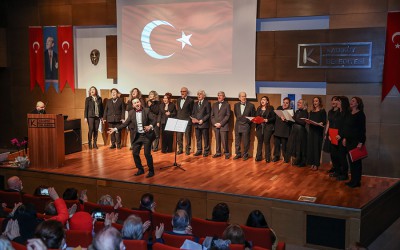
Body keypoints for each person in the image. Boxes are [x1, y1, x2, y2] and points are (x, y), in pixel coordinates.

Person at [108, 98, 156, 178]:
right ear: (133, 105)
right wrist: (115, 129)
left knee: (147, 154)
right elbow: (125, 124)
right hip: (137, 136)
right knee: (135, 153)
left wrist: (150, 126)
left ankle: (151, 170)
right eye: (135, 103)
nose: (137, 104)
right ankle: (140, 169)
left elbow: (154, 120)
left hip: (146, 136)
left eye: (138, 102)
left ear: (140, 103)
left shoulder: (146, 110)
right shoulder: (131, 113)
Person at [341, 97, 366, 188]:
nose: (351, 102)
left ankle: (356, 181)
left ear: (357, 103)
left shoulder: (360, 114)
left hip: (356, 141)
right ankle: (353, 180)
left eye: (353, 101)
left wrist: (361, 142)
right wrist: (344, 138)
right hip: (348, 141)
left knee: (356, 162)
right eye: (351, 100)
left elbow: (362, 130)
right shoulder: (349, 113)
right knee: (351, 162)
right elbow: (345, 127)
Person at [330, 96, 351, 180]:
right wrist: (330, 135)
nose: (336, 103)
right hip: (334, 136)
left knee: (342, 157)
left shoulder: (347, 112)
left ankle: (344, 174)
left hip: (342, 138)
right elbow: (333, 124)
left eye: (338, 101)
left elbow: (347, 126)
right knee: (334, 156)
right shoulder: (337, 112)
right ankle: (337, 172)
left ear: (342, 102)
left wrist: (342, 135)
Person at [233, 92, 255, 161]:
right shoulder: (236, 105)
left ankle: (245, 154)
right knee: (237, 141)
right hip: (238, 125)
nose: (243, 98)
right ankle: (238, 154)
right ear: (239, 98)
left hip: (246, 125)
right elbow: (236, 114)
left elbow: (252, 116)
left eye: (244, 96)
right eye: (242, 96)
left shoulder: (251, 105)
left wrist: (247, 123)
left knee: (246, 141)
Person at [306, 97, 327, 171]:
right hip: (311, 131)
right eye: (314, 101)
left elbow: (324, 121)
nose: (315, 102)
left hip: (318, 131)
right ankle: (312, 163)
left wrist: (321, 123)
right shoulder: (311, 111)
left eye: (316, 101)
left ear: (319, 102)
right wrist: (308, 122)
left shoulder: (322, 111)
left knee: (316, 147)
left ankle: (316, 164)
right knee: (311, 147)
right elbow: (310, 120)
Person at [287, 99, 308, 167]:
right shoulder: (297, 111)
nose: (298, 104)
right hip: (295, 130)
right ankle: (297, 160)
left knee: (301, 146)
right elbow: (294, 120)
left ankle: (302, 162)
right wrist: (288, 119)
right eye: (298, 102)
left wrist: (293, 118)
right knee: (296, 146)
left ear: (304, 105)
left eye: (300, 103)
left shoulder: (305, 112)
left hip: (301, 131)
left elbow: (303, 122)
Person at [211, 91, 231, 159]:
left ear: (224, 97)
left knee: (224, 140)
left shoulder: (227, 104)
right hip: (216, 126)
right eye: (218, 95)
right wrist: (215, 123)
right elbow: (212, 116)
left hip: (223, 126)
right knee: (217, 140)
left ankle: (226, 153)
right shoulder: (214, 104)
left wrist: (221, 123)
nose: (219, 96)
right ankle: (218, 152)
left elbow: (228, 115)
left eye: (221, 95)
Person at [255, 96, 275, 162]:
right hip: (259, 127)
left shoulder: (270, 108)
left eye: (264, 99)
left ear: (267, 101)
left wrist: (267, 120)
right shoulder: (258, 108)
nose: (262, 101)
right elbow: (256, 117)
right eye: (261, 99)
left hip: (267, 127)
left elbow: (274, 118)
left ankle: (267, 157)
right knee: (260, 142)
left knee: (266, 142)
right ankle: (258, 157)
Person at [192, 90, 211, 157]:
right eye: (198, 94)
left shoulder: (207, 103)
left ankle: (206, 151)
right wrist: (193, 119)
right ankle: (199, 150)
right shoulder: (195, 103)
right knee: (198, 138)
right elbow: (193, 113)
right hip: (196, 124)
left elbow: (208, 114)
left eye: (200, 94)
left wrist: (202, 120)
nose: (199, 95)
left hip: (204, 124)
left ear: (204, 96)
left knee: (205, 138)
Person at [273, 97, 292, 163]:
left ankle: (285, 157)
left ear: (289, 104)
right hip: (277, 130)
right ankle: (276, 156)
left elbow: (292, 122)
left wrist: (286, 119)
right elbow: (276, 117)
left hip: (285, 131)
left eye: (287, 103)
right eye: (284, 102)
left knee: (284, 146)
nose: (285, 104)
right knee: (276, 145)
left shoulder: (291, 111)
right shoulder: (279, 108)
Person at [176, 87, 194, 155]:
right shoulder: (178, 100)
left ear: (187, 92)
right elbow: (179, 110)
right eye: (181, 91)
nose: (182, 93)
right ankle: (180, 149)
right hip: (179, 120)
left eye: (184, 91)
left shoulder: (190, 100)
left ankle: (187, 150)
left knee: (187, 136)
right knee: (179, 136)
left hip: (187, 120)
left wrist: (190, 119)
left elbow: (192, 111)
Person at [326, 96, 340, 174]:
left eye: (335, 100)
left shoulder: (340, 112)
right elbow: (328, 122)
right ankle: (334, 167)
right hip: (330, 133)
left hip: (337, 134)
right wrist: (326, 133)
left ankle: (338, 169)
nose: (333, 102)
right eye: (332, 100)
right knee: (332, 152)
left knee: (336, 153)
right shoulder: (330, 112)